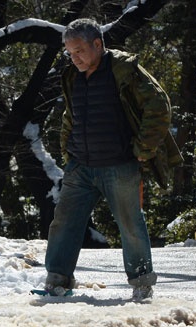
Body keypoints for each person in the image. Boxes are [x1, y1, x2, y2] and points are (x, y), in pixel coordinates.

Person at [43, 18, 180, 300]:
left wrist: (143, 150)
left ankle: (142, 283)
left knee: (130, 224)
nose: (75, 58)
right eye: (70, 52)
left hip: (119, 164)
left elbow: (159, 105)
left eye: (79, 50)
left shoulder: (124, 70)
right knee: (64, 222)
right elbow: (71, 114)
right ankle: (57, 280)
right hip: (80, 166)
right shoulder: (72, 75)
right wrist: (67, 150)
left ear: (97, 44)